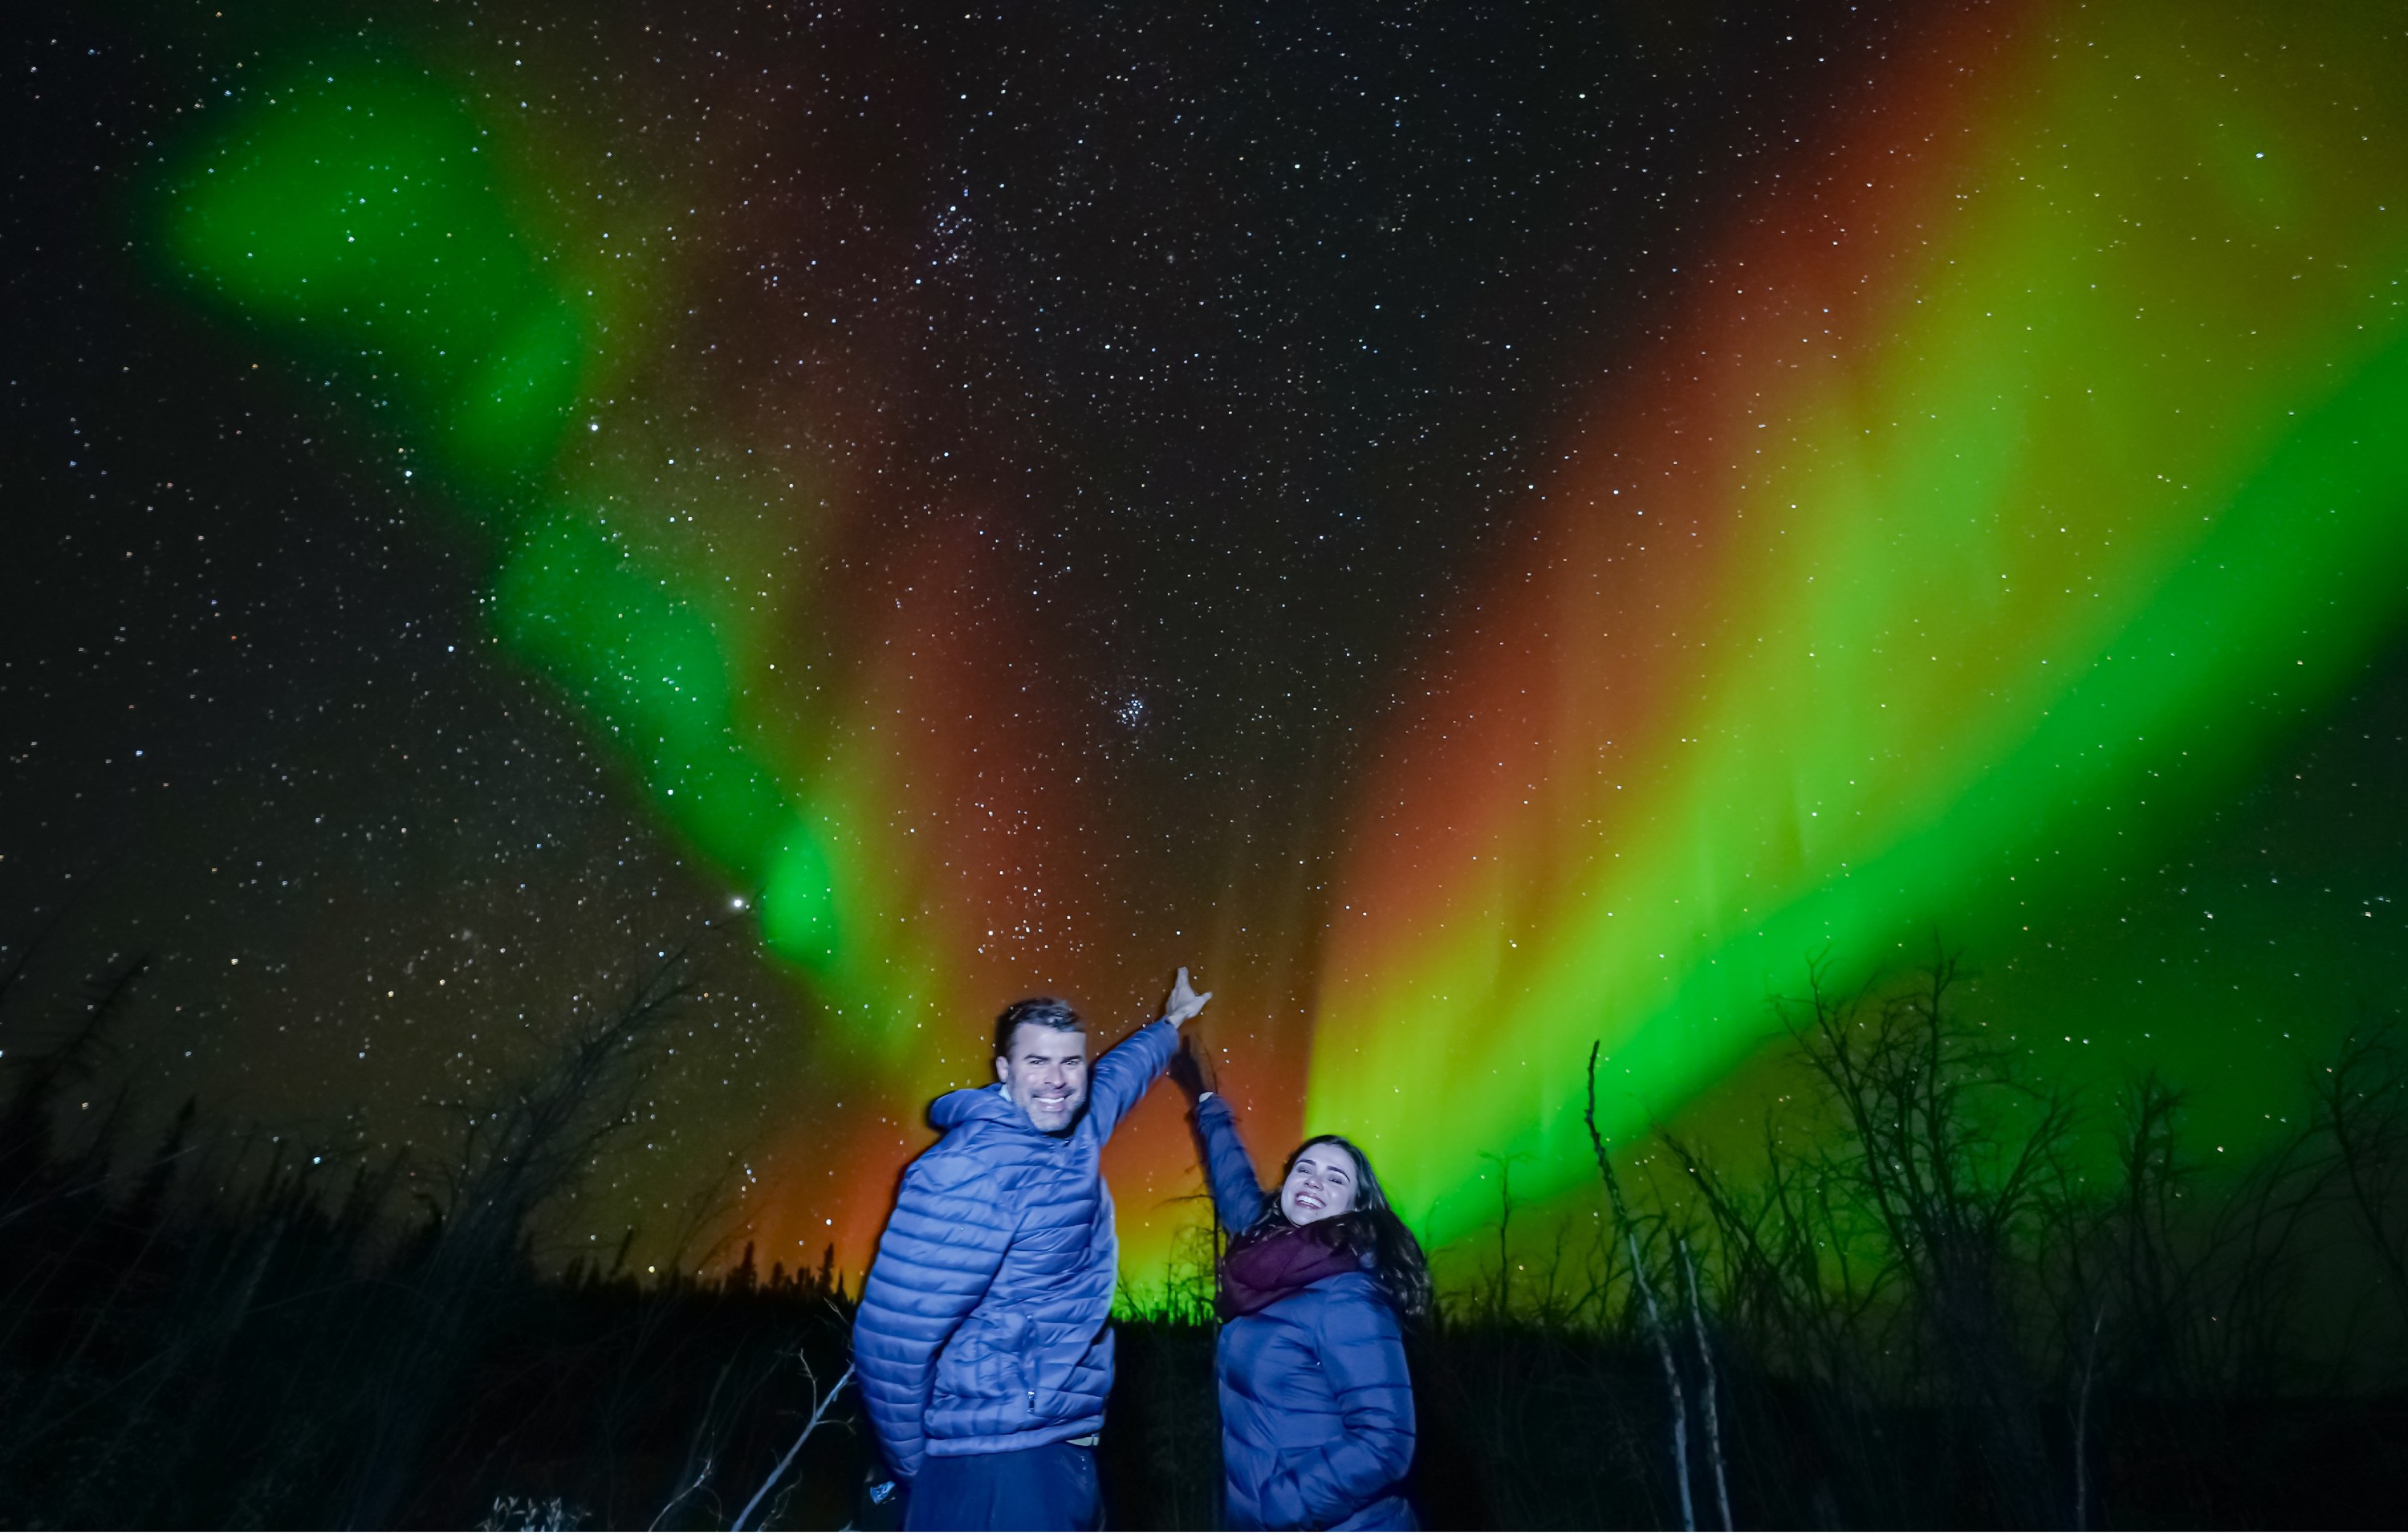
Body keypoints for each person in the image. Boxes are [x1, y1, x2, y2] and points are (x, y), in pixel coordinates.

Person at [853, 968, 1211, 1531]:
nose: (1057, 1080)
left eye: (1070, 1062)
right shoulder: (967, 1172)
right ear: (1003, 1071)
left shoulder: (1074, 1132)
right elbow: (891, 1341)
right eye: (1036, 1062)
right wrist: (915, 1466)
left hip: (1059, 1450)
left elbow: (1114, 1079)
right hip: (992, 1463)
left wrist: (1169, 1026)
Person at [1169, 1036, 1429, 1531]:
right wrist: (1204, 1097)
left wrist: (1280, 1508)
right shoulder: (1267, 1254)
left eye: (1336, 1178)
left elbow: (1387, 1441)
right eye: (1305, 1169)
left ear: (1355, 1207)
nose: (1314, 1180)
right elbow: (1234, 1184)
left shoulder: (1350, 1295)